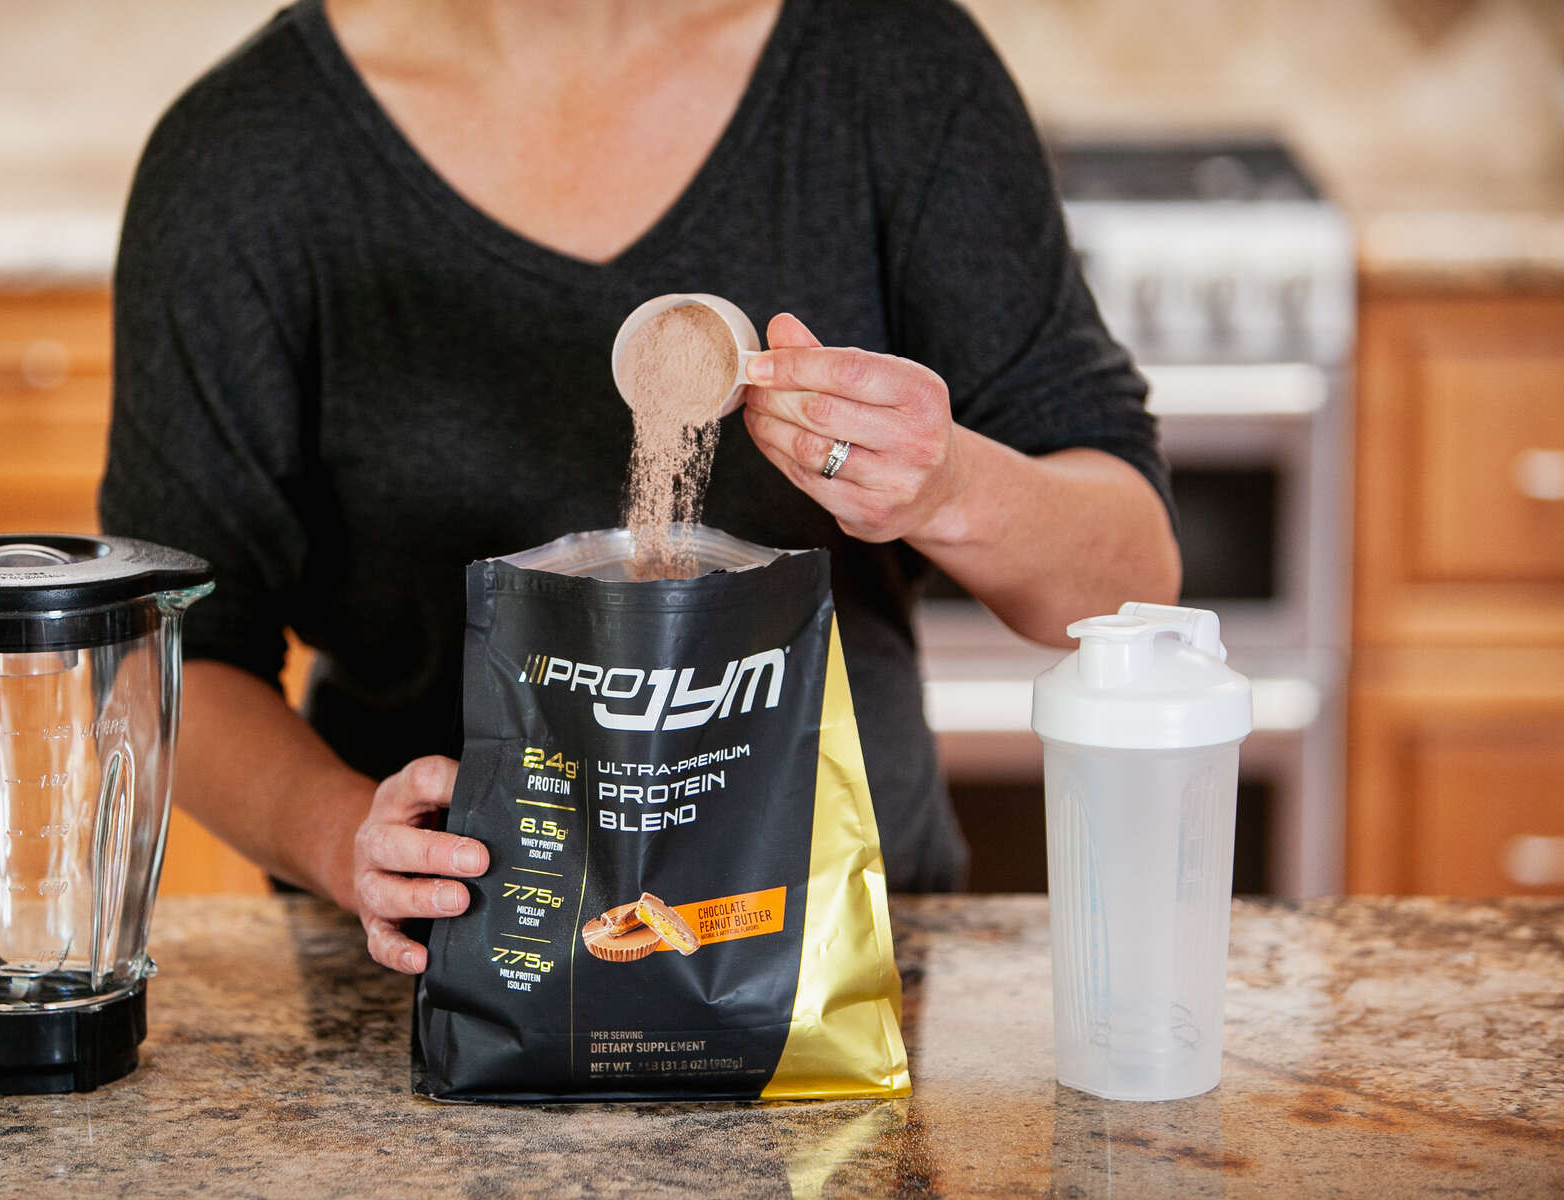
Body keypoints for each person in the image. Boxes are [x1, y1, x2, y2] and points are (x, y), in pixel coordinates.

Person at [99, 0, 1180, 974]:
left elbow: (1130, 579)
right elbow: (170, 655)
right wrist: (346, 837)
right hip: (449, 977)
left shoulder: (893, 70)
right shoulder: (248, 154)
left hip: (834, 983)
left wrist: (944, 488)